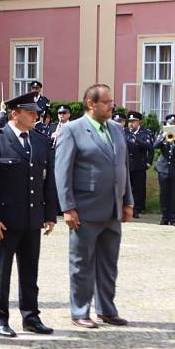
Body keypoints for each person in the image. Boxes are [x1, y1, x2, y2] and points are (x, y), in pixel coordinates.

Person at [54, 84, 132, 329]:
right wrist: (67, 208)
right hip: (84, 210)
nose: (112, 105)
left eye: (112, 101)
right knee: (82, 263)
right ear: (91, 104)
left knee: (109, 263)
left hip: (112, 208)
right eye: (107, 102)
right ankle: (80, 311)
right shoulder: (73, 130)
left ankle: (107, 309)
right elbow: (62, 171)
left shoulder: (117, 130)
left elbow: (123, 168)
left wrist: (127, 201)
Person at [0, 93, 57, 337]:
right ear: (15, 113)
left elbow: (48, 180)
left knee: (30, 270)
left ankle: (31, 316)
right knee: (2, 270)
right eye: (30, 112)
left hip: (32, 216)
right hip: (6, 219)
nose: (36, 116)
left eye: (36, 112)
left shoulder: (40, 141)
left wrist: (49, 214)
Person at [124, 111, 154, 218]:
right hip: (126, 165)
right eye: (130, 122)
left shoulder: (145, 133)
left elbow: (150, 148)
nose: (131, 124)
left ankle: (136, 209)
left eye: (134, 121)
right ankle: (126, 208)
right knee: (126, 188)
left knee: (138, 189)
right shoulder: (124, 132)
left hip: (139, 165)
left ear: (139, 122)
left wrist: (149, 162)